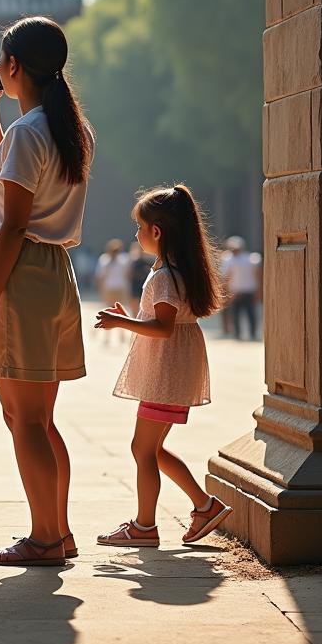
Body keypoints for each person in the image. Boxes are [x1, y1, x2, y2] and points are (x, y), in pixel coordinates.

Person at [0, 16, 95, 567]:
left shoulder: (29, 133)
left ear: (12, 66)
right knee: (39, 419)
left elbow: (13, 224)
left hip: (18, 274)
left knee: (24, 421)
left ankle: (44, 538)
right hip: (54, 272)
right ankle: (57, 531)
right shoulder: (70, 129)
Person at [93, 184, 232, 547]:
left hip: (166, 373)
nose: (136, 235)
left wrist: (122, 323)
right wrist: (130, 316)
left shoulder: (165, 276)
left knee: (143, 449)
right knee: (151, 449)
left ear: (156, 232)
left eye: (139, 228)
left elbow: (163, 327)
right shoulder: (174, 271)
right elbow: (160, 319)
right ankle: (204, 506)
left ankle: (144, 526)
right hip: (173, 368)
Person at [222, 236, 262, 341]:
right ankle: (238, 334)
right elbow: (226, 277)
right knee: (237, 314)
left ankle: (250, 334)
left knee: (250, 314)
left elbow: (258, 275)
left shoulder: (250, 259)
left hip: (247, 291)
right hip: (236, 291)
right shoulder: (229, 259)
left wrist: (259, 291)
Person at [128, 241, 153, 319]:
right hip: (136, 284)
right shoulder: (134, 260)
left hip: (145, 285)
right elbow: (130, 273)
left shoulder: (150, 260)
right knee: (135, 304)